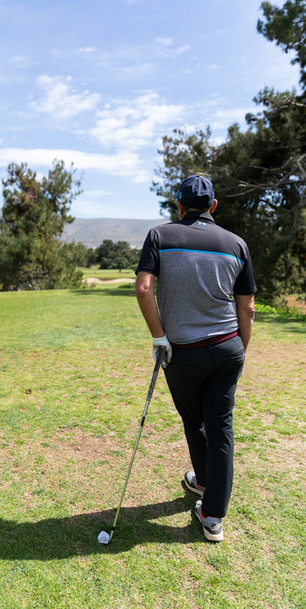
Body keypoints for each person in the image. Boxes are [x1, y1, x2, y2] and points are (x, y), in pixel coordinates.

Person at [135, 175, 256, 542]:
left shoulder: (160, 235)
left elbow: (143, 288)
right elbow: (247, 308)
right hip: (228, 347)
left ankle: (204, 484)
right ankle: (213, 514)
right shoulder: (236, 243)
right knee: (220, 427)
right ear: (213, 206)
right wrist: (239, 350)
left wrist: (159, 337)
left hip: (182, 352)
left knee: (194, 419)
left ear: (179, 205)